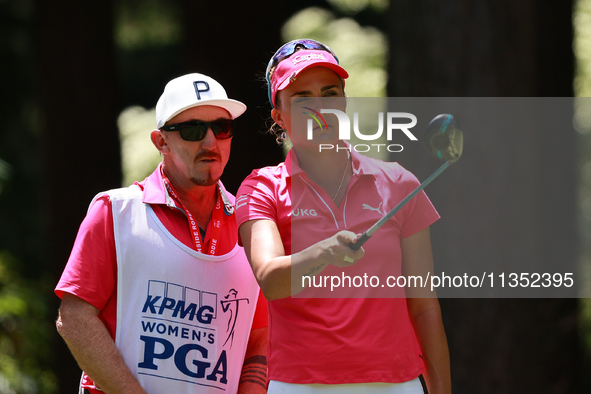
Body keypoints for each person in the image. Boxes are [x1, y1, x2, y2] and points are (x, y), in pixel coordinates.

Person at [236, 39, 451, 393]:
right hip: (299, 385)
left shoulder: (398, 183)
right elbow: (270, 280)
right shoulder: (261, 188)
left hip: (396, 384)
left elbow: (424, 307)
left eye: (330, 93)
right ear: (280, 117)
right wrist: (323, 252)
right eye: (303, 98)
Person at [55, 73, 268, 394]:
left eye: (222, 128)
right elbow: (74, 319)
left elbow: (260, 336)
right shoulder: (115, 210)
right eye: (193, 129)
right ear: (161, 141)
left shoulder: (253, 223)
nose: (210, 142)